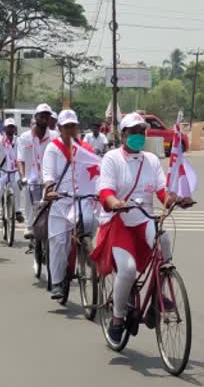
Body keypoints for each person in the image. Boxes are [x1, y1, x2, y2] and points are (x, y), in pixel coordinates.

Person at [91, 113, 189, 342]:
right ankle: (117, 318)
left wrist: (175, 200)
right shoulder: (112, 159)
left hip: (144, 218)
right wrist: (115, 203)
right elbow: (104, 191)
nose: (137, 136)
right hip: (120, 221)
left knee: (164, 241)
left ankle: (158, 295)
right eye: (132, 132)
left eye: (141, 132)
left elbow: (162, 191)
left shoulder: (151, 160)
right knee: (126, 270)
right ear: (123, 134)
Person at [42, 110, 99, 298]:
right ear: (59, 128)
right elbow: (49, 174)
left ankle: (86, 252)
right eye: (66, 126)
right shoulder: (53, 148)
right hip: (60, 200)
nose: (70, 129)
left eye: (73, 126)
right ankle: (58, 281)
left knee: (90, 222)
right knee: (58, 241)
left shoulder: (86, 148)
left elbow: (96, 171)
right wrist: (50, 189)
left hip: (81, 199)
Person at [17, 103, 57, 239]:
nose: (45, 119)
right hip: (31, 177)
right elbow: (20, 159)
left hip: (49, 178)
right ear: (36, 117)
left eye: (47, 116)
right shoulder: (25, 137)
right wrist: (23, 177)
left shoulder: (54, 136)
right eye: (42, 116)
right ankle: (29, 226)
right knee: (30, 192)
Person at [0, 118, 22, 226]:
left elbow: (21, 155)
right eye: (8, 127)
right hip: (1, 170)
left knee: (17, 188)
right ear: (4, 128)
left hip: (13, 170)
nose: (10, 129)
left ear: (14, 129)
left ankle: (18, 211)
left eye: (12, 127)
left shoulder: (18, 141)